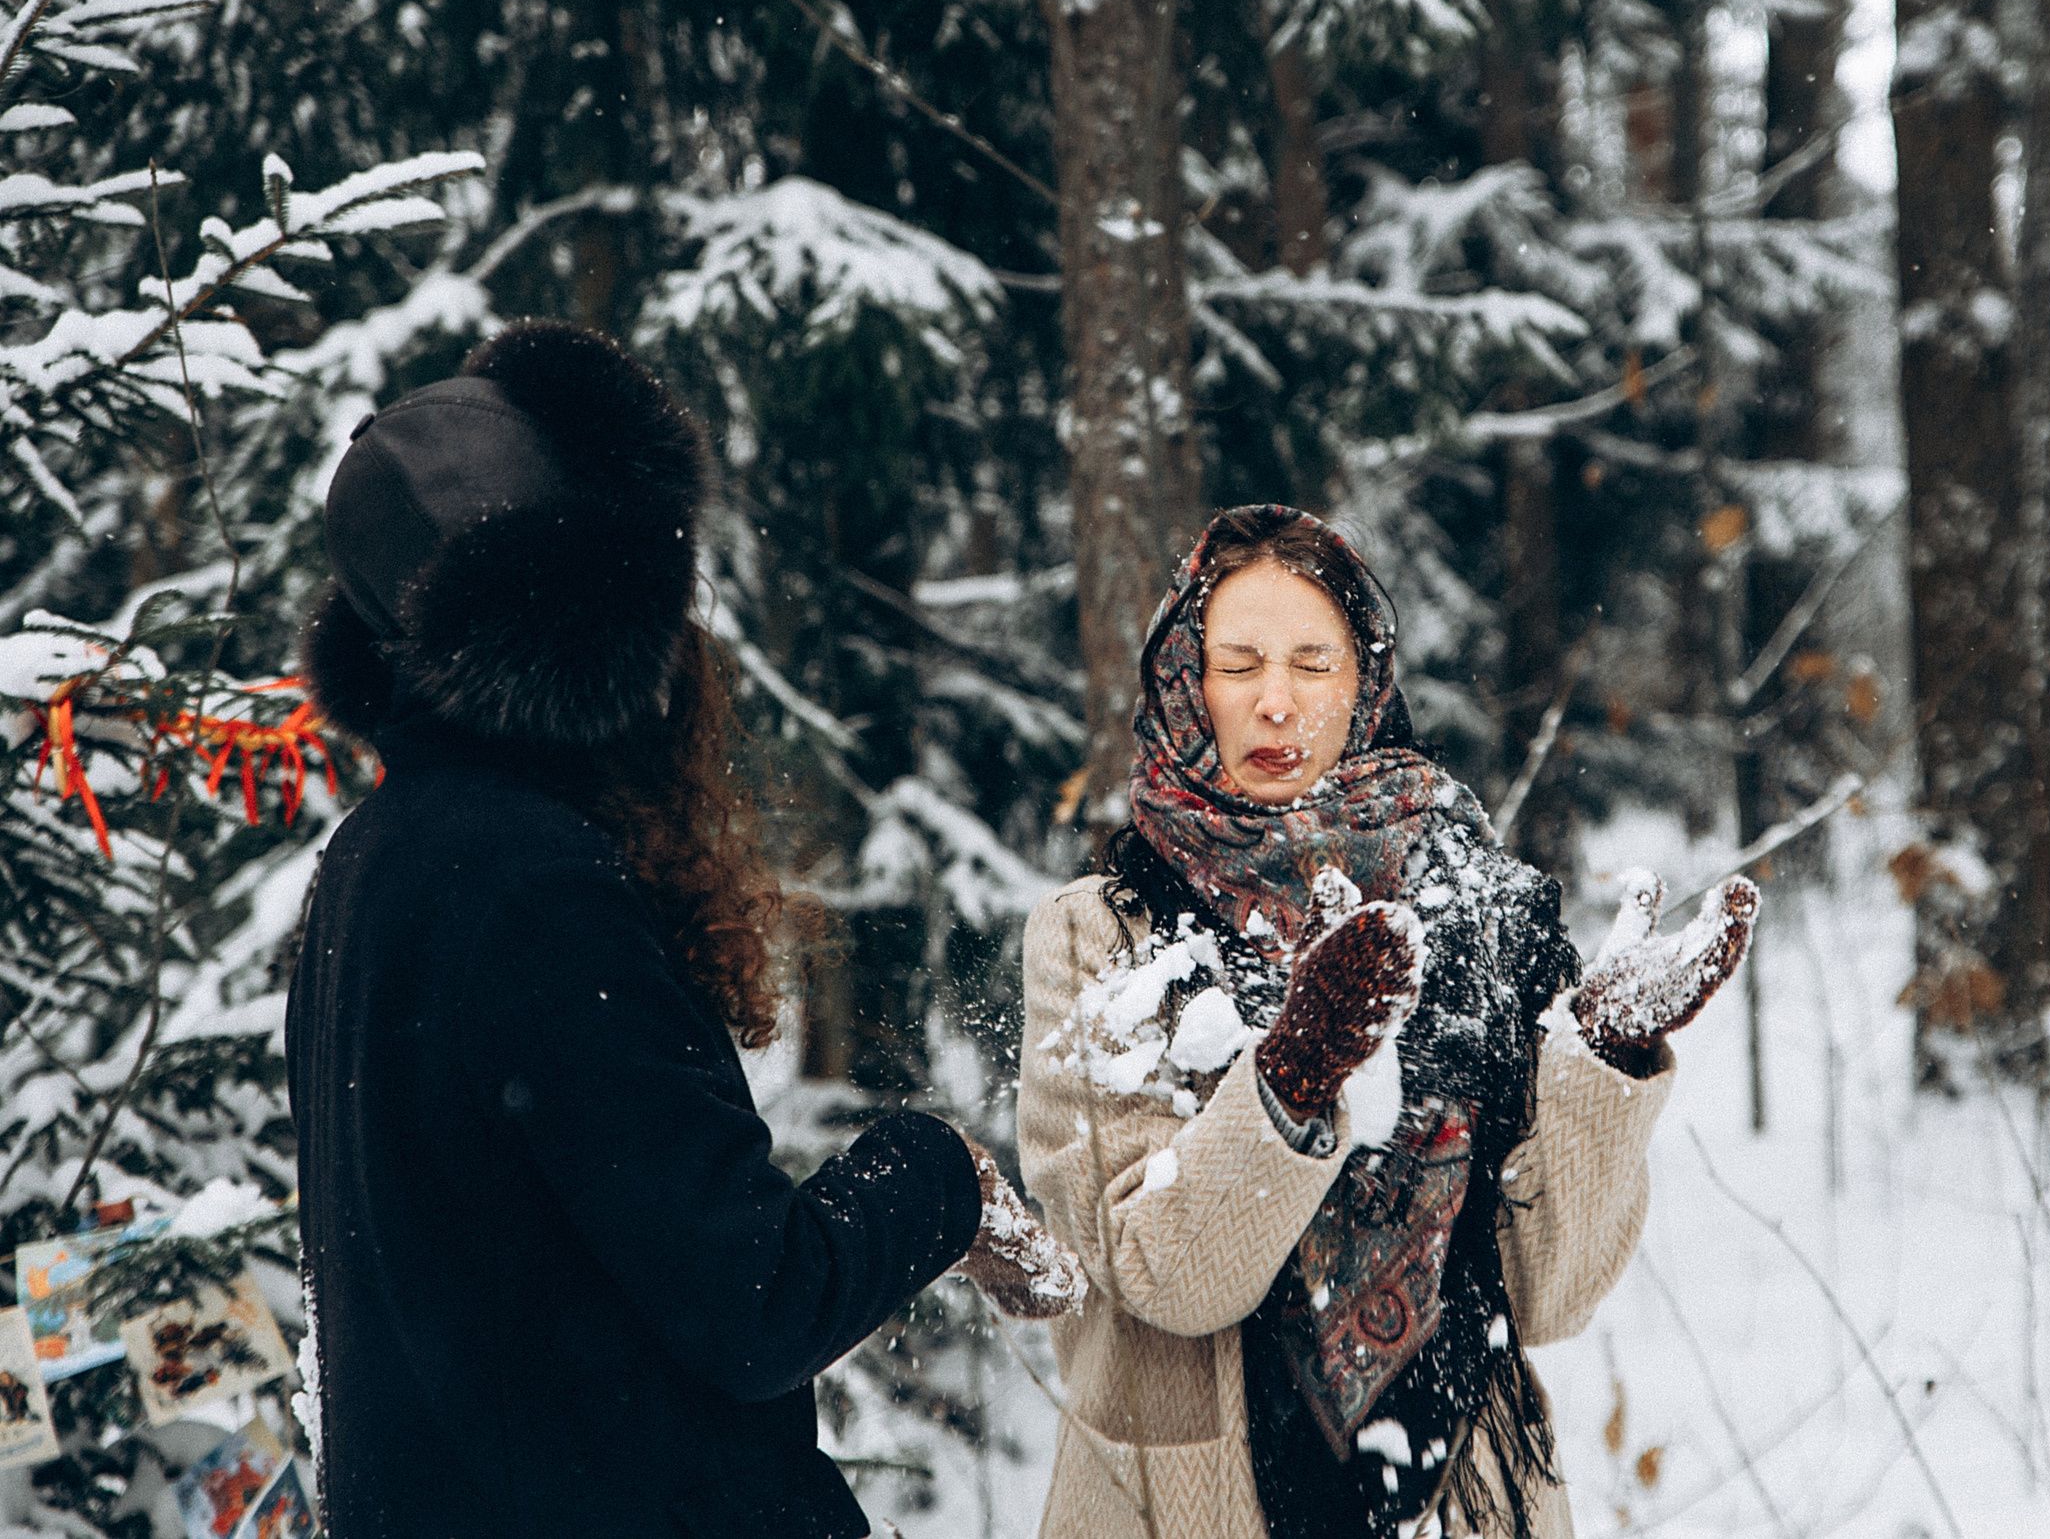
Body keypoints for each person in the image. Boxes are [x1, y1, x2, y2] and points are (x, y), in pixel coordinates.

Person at [288, 322, 1079, 1539]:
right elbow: (752, 1301)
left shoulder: (371, 865)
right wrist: (941, 1178)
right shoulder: (529, 885)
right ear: (593, 632)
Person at [1015, 505, 1759, 1539]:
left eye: (1312, 664)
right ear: (1187, 685)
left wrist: (1605, 1059)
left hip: (1464, 1503)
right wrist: (1295, 1075)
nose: (1275, 703)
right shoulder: (1100, 936)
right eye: (1239, 666)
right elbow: (1162, 1277)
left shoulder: (1479, 908)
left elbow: (1549, 1294)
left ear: (1365, 684)